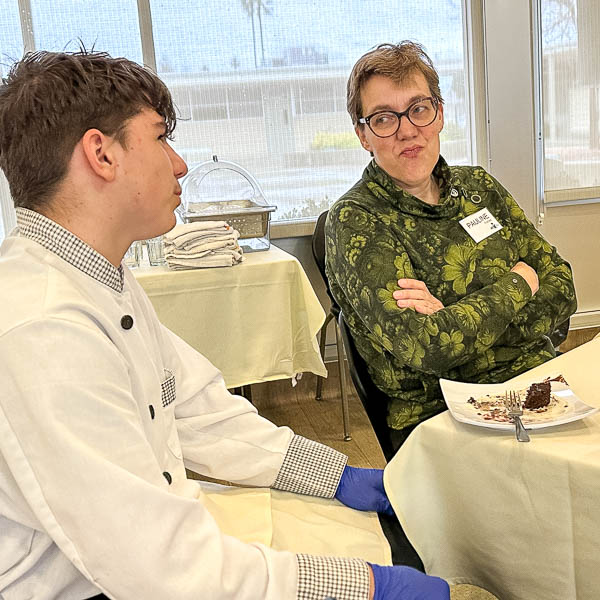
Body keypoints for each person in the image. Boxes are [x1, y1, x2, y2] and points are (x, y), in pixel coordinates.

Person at [0, 50, 450, 600]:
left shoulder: (98, 278)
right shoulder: (41, 328)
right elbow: (161, 567)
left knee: (374, 535)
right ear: (101, 154)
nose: (180, 163)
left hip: (146, 554)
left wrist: (334, 476)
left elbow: (198, 412)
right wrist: (365, 587)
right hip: (88, 586)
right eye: (161, 137)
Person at [325, 41, 577, 452]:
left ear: (439, 113)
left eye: (419, 109)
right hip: (444, 418)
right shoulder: (356, 221)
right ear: (363, 135)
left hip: (541, 384)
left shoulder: (479, 188)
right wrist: (520, 282)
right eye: (384, 118)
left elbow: (563, 291)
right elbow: (428, 347)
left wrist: (456, 320)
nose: (408, 129)